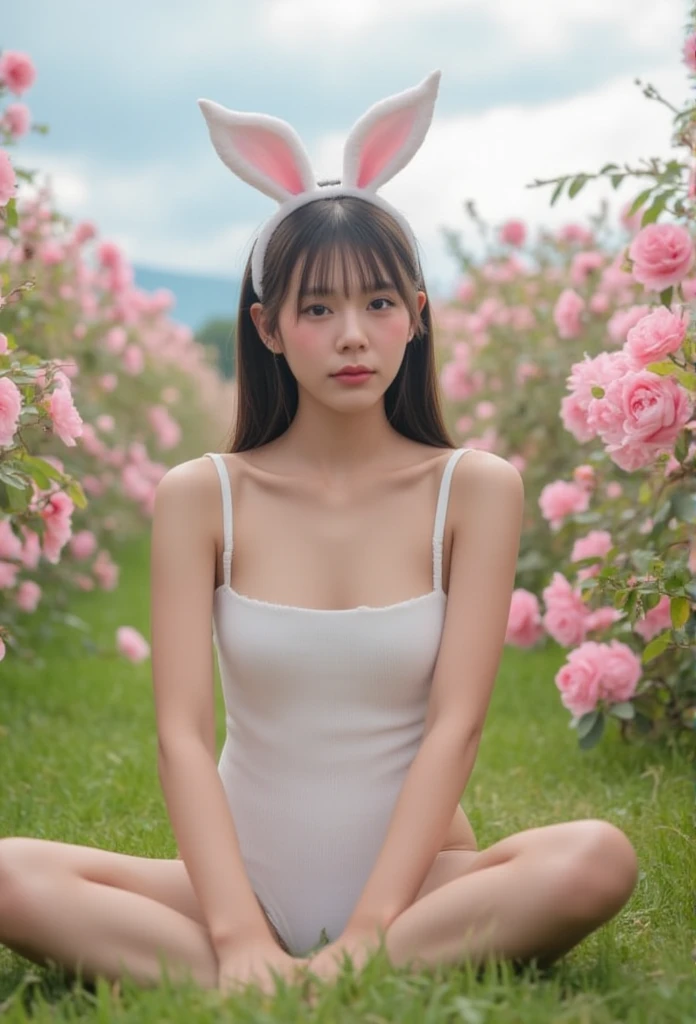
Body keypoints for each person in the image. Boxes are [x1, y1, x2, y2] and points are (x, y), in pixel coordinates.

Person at [0, 70, 638, 1001]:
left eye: (379, 304)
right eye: (316, 308)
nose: (352, 336)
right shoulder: (201, 495)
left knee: (594, 858)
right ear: (266, 327)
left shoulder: (475, 489)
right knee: (9, 873)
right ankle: (263, 971)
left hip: (420, 892)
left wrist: (372, 928)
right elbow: (181, 732)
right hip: (237, 888)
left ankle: (306, 977)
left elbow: (456, 726)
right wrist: (235, 928)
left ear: (417, 316)